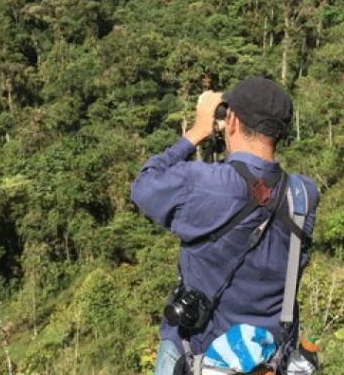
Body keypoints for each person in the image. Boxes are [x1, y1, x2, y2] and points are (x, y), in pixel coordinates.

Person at [130, 77, 319, 374]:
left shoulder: (204, 183)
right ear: (281, 131)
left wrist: (196, 132)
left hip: (197, 358)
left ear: (230, 121)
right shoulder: (304, 195)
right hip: (269, 361)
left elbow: (143, 186)